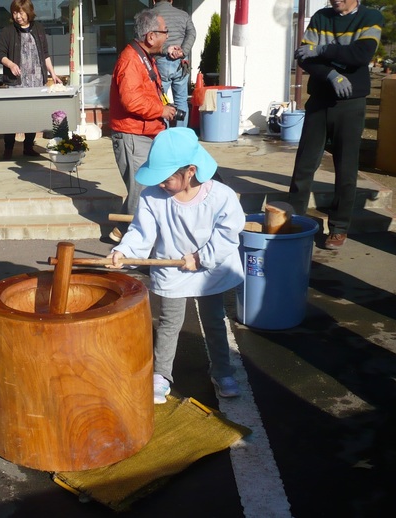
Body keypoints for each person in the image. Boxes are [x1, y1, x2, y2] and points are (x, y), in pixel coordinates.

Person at [107, 128, 245, 402]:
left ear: (191, 171)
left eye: (167, 178)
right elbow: (141, 232)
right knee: (169, 322)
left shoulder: (220, 196)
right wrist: (124, 251)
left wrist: (202, 257)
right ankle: (162, 374)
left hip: (210, 269)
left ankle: (222, 370)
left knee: (214, 321)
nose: (160, 184)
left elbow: (229, 233)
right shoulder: (151, 197)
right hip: (172, 268)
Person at [288, 0, 383, 250]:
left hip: (351, 103)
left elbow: (361, 54)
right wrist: (331, 74)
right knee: (305, 164)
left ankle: (339, 228)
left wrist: (322, 50)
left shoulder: (370, 18)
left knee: (346, 167)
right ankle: (295, 222)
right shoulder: (321, 17)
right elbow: (303, 57)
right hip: (319, 100)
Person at [108, 8, 177, 243]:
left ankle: (122, 230)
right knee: (142, 189)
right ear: (150, 36)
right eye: (164, 32)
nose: (167, 36)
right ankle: (130, 239)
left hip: (142, 133)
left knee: (144, 186)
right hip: (131, 134)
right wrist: (161, 110)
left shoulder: (142, 56)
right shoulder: (130, 61)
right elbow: (131, 101)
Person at [0, 0, 61, 159]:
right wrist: (10, 64)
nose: (18, 16)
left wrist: (52, 73)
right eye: (15, 12)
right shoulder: (8, 31)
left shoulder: (38, 28)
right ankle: (9, 147)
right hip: (16, 81)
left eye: (21, 12)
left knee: (32, 114)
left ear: (29, 12)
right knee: (13, 115)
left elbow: (44, 54)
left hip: (36, 79)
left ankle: (28, 146)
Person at [151, 0, 196, 128]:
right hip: (181, 64)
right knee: (181, 100)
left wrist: (166, 49)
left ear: (154, 1)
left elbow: (147, 38)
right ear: (171, 0)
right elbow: (192, 33)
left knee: (160, 102)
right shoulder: (183, 15)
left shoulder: (150, 16)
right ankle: (181, 135)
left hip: (160, 62)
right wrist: (183, 51)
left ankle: (163, 134)